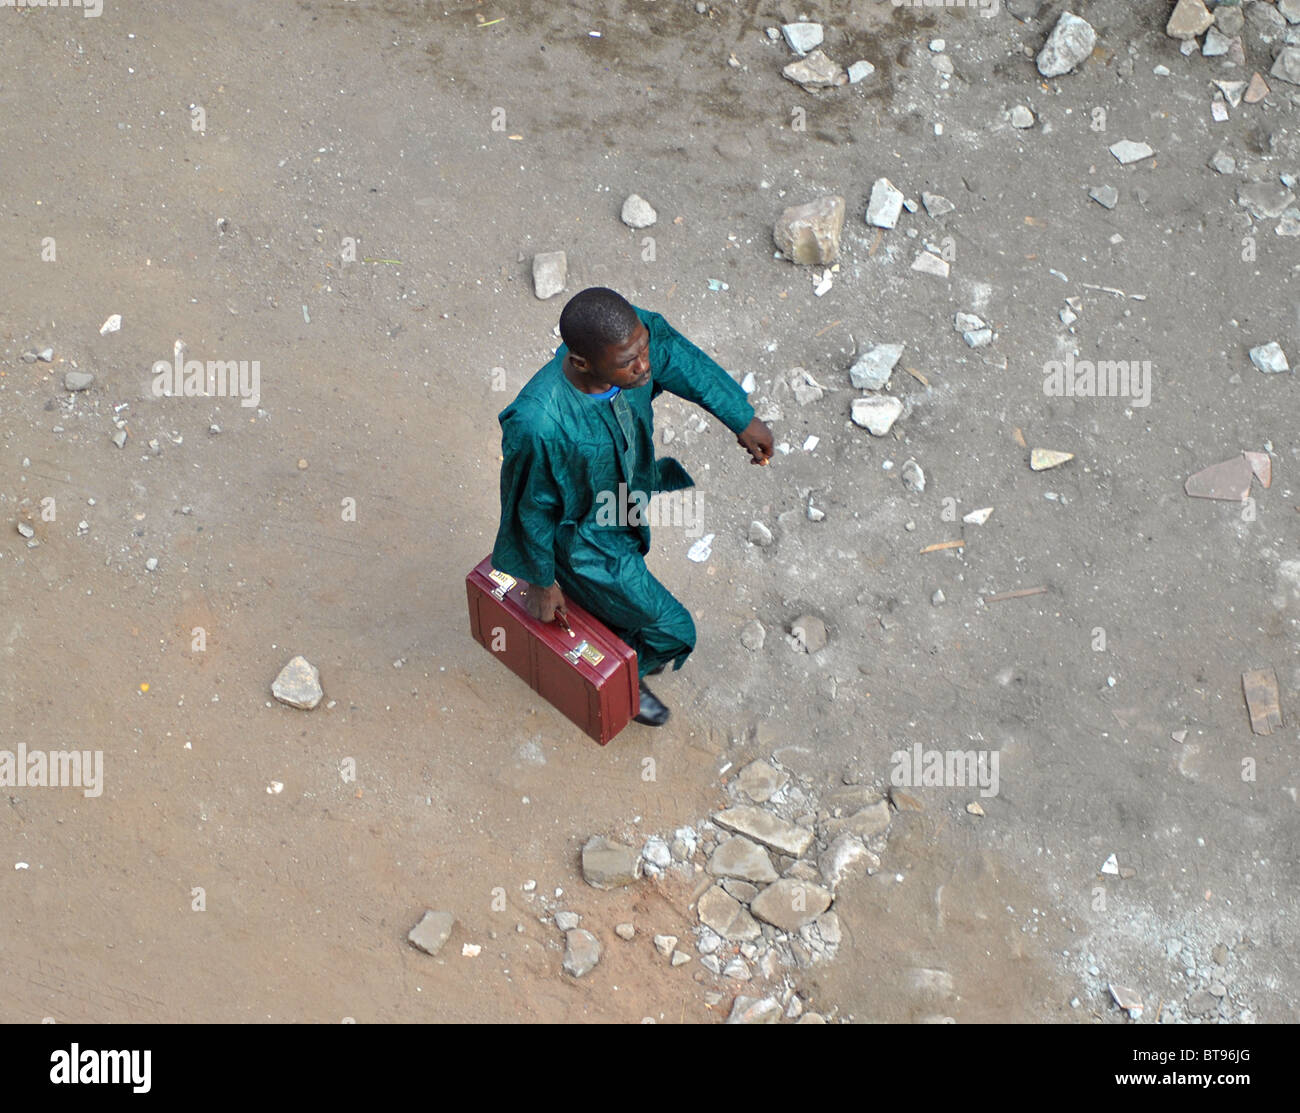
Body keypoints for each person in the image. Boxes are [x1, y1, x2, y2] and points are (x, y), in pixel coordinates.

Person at [491, 287, 774, 726]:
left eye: (642, 350)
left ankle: (614, 635)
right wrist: (542, 580)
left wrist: (739, 416)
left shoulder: (630, 340)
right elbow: (527, 505)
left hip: (623, 505)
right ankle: (619, 677)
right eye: (629, 362)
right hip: (583, 540)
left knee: (627, 600)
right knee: (674, 631)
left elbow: (676, 356)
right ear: (582, 362)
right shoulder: (539, 423)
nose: (644, 365)